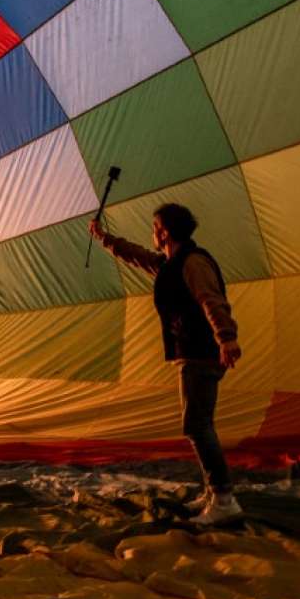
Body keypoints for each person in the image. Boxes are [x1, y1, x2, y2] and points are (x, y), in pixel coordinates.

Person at [90, 204, 243, 525]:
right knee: (200, 425)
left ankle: (225, 500)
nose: (152, 232)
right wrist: (105, 239)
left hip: (202, 354)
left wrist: (226, 337)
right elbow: (141, 257)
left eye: (155, 226)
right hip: (194, 353)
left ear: (164, 231)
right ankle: (214, 493)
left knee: (197, 426)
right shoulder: (172, 263)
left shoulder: (193, 262)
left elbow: (210, 299)